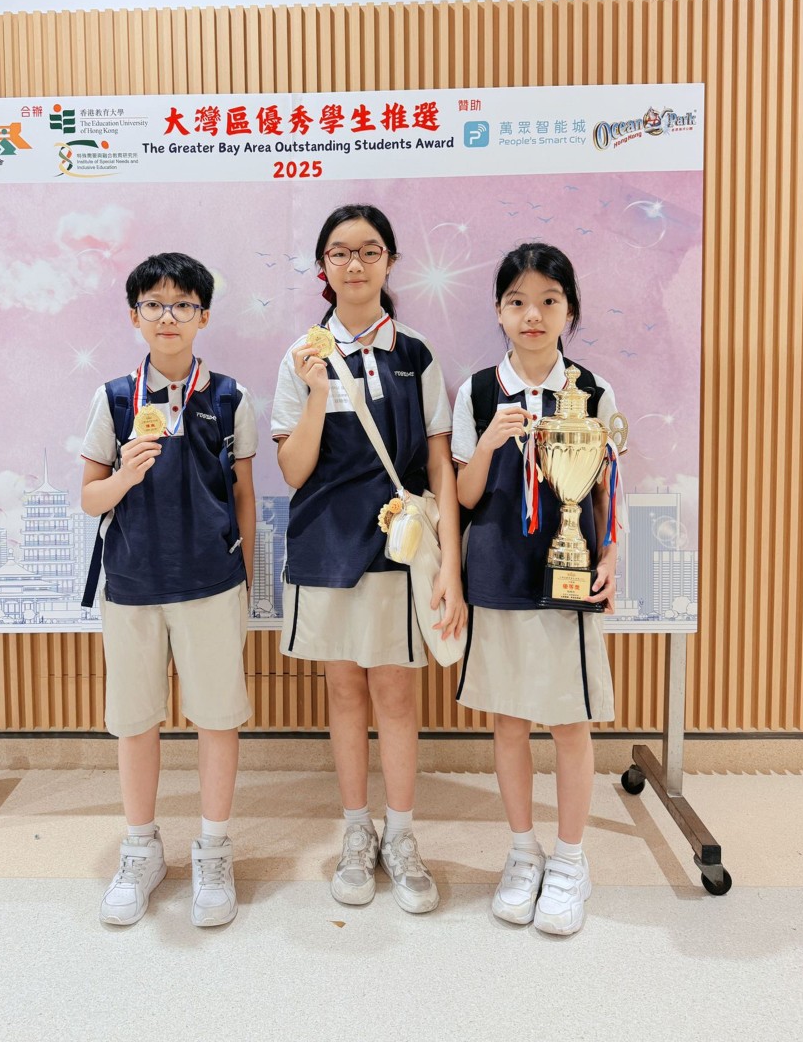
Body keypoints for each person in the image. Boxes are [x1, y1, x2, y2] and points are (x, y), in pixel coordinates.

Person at [271, 204, 466, 914]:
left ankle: (402, 837)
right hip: (325, 545)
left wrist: (450, 565)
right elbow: (293, 470)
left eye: (369, 250)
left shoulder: (415, 353)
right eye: (341, 252)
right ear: (322, 267)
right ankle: (357, 832)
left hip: (398, 547)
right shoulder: (302, 354)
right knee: (345, 693)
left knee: (396, 695)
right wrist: (318, 392)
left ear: (390, 262)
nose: (355, 264)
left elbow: (440, 463)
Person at [80, 252, 256, 929]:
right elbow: (90, 497)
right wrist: (124, 475)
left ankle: (213, 850)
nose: (168, 316)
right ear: (135, 316)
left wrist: (241, 574)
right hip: (131, 584)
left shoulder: (229, 397)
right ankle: (141, 849)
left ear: (203, 316)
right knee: (134, 721)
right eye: (153, 304)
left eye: (183, 304)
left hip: (211, 583)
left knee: (217, 718)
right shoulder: (113, 398)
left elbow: (243, 494)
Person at [453, 242, 622, 936]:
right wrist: (489, 442)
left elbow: (608, 490)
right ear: (498, 311)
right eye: (518, 301)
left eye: (549, 300)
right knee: (510, 722)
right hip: (497, 573)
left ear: (569, 310)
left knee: (571, 722)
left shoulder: (593, 391)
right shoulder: (477, 391)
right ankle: (523, 853)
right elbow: (464, 496)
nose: (533, 314)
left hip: (569, 576)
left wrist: (610, 555)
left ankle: (572, 860)